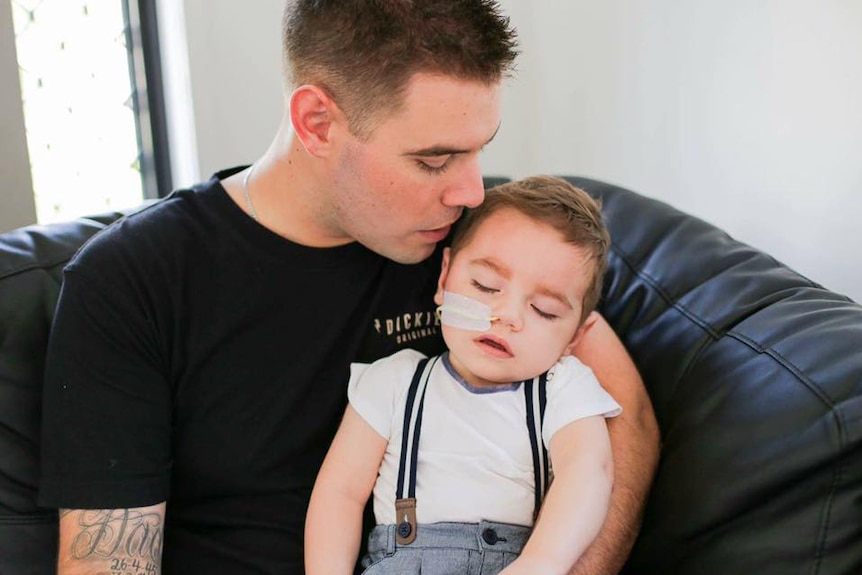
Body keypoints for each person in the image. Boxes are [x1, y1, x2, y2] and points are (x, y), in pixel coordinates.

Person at [39, 1, 659, 574]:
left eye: (478, 152)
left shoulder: (477, 249)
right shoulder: (132, 279)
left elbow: (622, 409)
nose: (470, 191)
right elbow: (109, 561)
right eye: (434, 160)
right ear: (317, 123)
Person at [306, 176, 623, 575]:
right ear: (444, 279)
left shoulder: (563, 388)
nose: (507, 316)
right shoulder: (393, 382)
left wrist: (542, 563)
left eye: (543, 310)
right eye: (485, 285)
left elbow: (588, 473)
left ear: (574, 337)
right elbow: (340, 492)